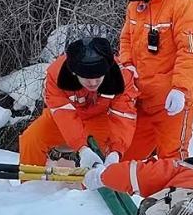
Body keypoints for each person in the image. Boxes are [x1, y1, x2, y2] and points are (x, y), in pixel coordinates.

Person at [117, 0, 193, 161]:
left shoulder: (184, 4)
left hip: (174, 100)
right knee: (124, 157)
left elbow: (191, 51)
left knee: (172, 160)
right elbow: (126, 39)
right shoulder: (135, 5)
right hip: (143, 97)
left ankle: (177, 195)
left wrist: (180, 89)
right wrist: (127, 66)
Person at [18, 36, 137, 168]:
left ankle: (91, 187)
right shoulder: (57, 75)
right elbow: (64, 115)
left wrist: (116, 151)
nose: (92, 83)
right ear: (74, 73)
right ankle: (29, 185)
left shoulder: (121, 77)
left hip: (99, 120)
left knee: (99, 156)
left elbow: (123, 116)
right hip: (62, 118)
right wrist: (82, 148)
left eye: (98, 78)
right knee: (31, 138)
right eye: (86, 78)